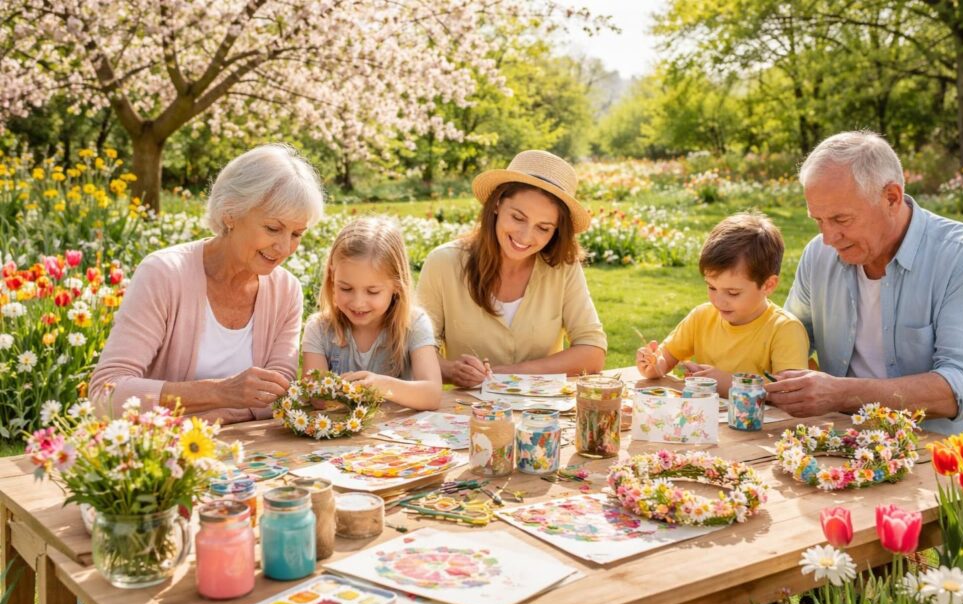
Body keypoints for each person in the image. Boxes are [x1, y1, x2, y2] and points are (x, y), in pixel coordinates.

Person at [768, 130, 963, 437]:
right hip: (848, 446)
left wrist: (841, 394)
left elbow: (958, 388)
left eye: (841, 220)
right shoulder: (819, 255)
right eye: (818, 220)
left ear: (891, 198)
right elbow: (786, 339)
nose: (828, 238)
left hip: (954, 458)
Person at [89, 143, 323, 423]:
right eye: (273, 228)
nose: (285, 247)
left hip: (247, 454)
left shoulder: (286, 290)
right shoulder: (163, 275)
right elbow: (106, 393)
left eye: (297, 234)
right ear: (230, 213)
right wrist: (220, 393)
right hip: (161, 454)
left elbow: (275, 397)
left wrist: (216, 416)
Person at [417, 150, 607, 388]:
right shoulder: (443, 264)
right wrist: (452, 370)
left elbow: (592, 352)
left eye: (544, 228)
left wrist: (504, 374)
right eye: (518, 218)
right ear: (497, 204)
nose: (526, 237)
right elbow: (416, 351)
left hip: (542, 414)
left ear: (557, 230)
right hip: (468, 414)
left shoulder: (563, 269)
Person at [636, 213, 809, 395]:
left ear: (768, 285)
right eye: (711, 287)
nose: (718, 301)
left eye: (733, 292)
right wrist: (654, 365)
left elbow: (790, 393)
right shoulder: (701, 317)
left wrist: (731, 384)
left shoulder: (785, 330)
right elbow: (666, 357)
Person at [301, 217, 442, 410]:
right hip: (341, 437)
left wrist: (382, 386)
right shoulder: (319, 329)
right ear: (332, 278)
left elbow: (432, 395)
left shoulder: (414, 324)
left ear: (396, 286)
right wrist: (343, 392)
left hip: (398, 437)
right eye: (346, 288)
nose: (358, 303)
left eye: (372, 291)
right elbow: (316, 397)